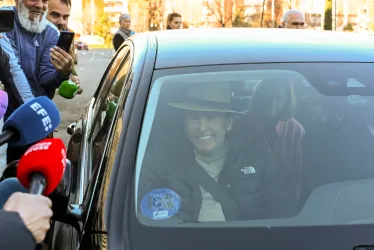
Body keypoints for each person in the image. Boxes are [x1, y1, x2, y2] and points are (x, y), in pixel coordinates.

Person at [4, 0, 74, 163]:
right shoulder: (4, 19)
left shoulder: (51, 33)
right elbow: (12, 70)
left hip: (33, 122)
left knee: (33, 177)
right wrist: (36, 111)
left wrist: (63, 73)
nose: (39, 5)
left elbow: (46, 78)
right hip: (10, 118)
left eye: (44, 1)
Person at [46, 0, 83, 95]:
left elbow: (69, 64)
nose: (62, 22)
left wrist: (72, 75)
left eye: (65, 17)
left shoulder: (67, 35)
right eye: (55, 15)